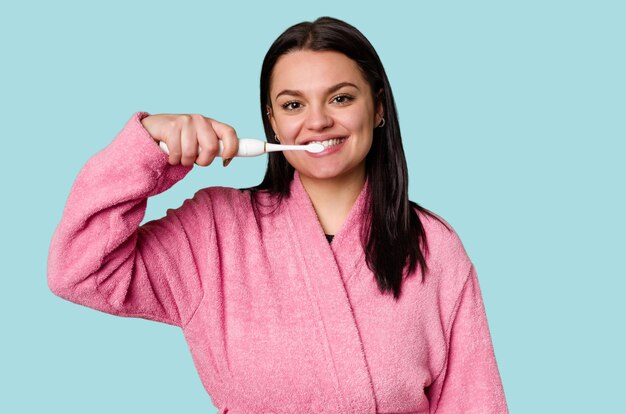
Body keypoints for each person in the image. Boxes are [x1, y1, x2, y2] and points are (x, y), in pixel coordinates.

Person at [48, 16, 507, 414]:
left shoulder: (432, 246)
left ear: (379, 106)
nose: (318, 121)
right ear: (272, 120)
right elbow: (80, 270)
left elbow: (475, 402)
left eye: (341, 98)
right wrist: (148, 147)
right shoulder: (214, 231)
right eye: (293, 104)